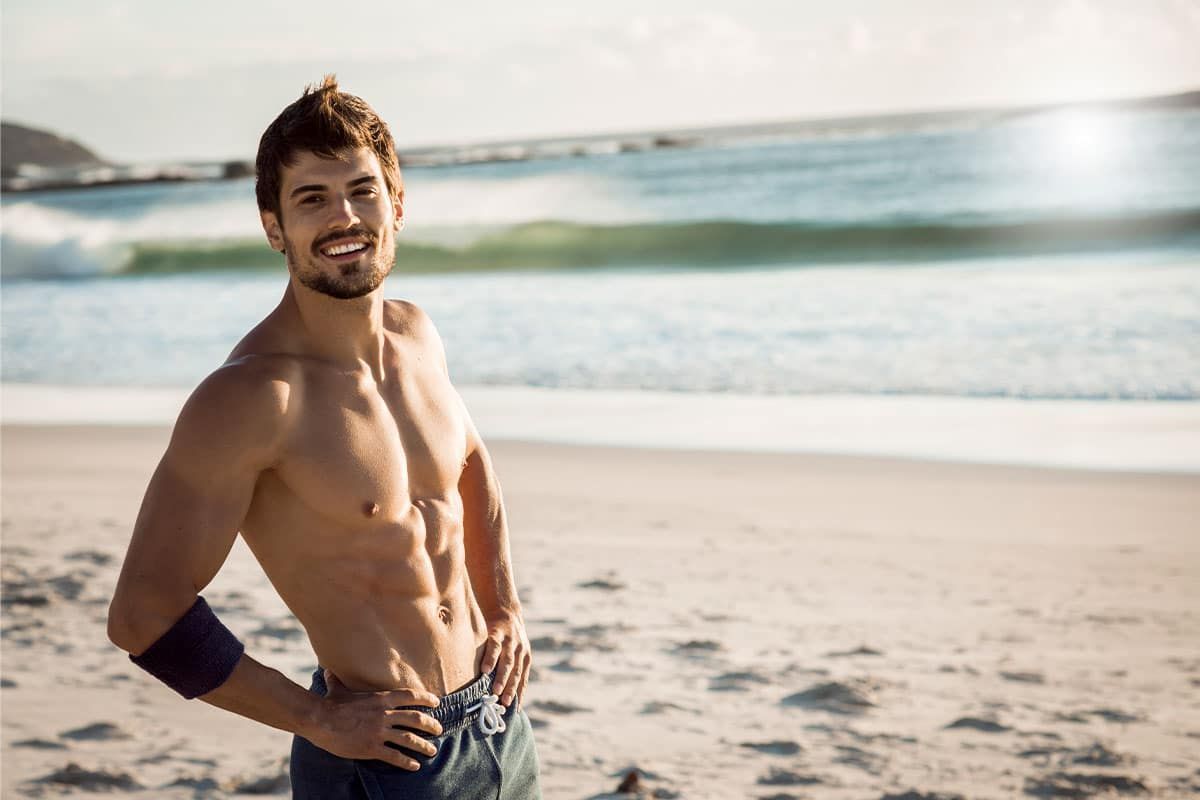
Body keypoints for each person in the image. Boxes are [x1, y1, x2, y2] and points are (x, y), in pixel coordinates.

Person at [107, 76, 541, 799]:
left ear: (396, 205)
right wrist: (316, 719)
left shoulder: (416, 336)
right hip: (386, 762)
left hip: (499, 722)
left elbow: (467, 459)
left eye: (362, 190)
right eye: (312, 198)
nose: (344, 217)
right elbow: (142, 613)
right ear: (273, 226)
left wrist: (504, 608)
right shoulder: (250, 398)